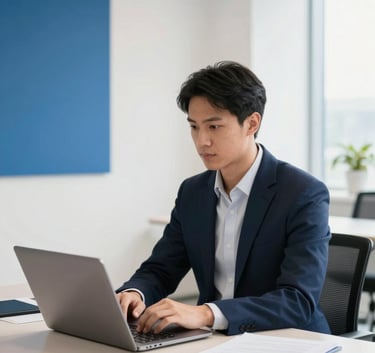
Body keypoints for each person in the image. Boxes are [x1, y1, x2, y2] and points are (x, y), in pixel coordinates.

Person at [116, 61, 331, 336]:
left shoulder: (303, 193)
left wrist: (206, 313)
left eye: (214, 127)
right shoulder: (192, 192)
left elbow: (297, 301)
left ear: (252, 123)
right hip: (215, 339)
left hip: (287, 339)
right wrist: (135, 293)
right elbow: (161, 268)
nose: (201, 140)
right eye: (194, 127)